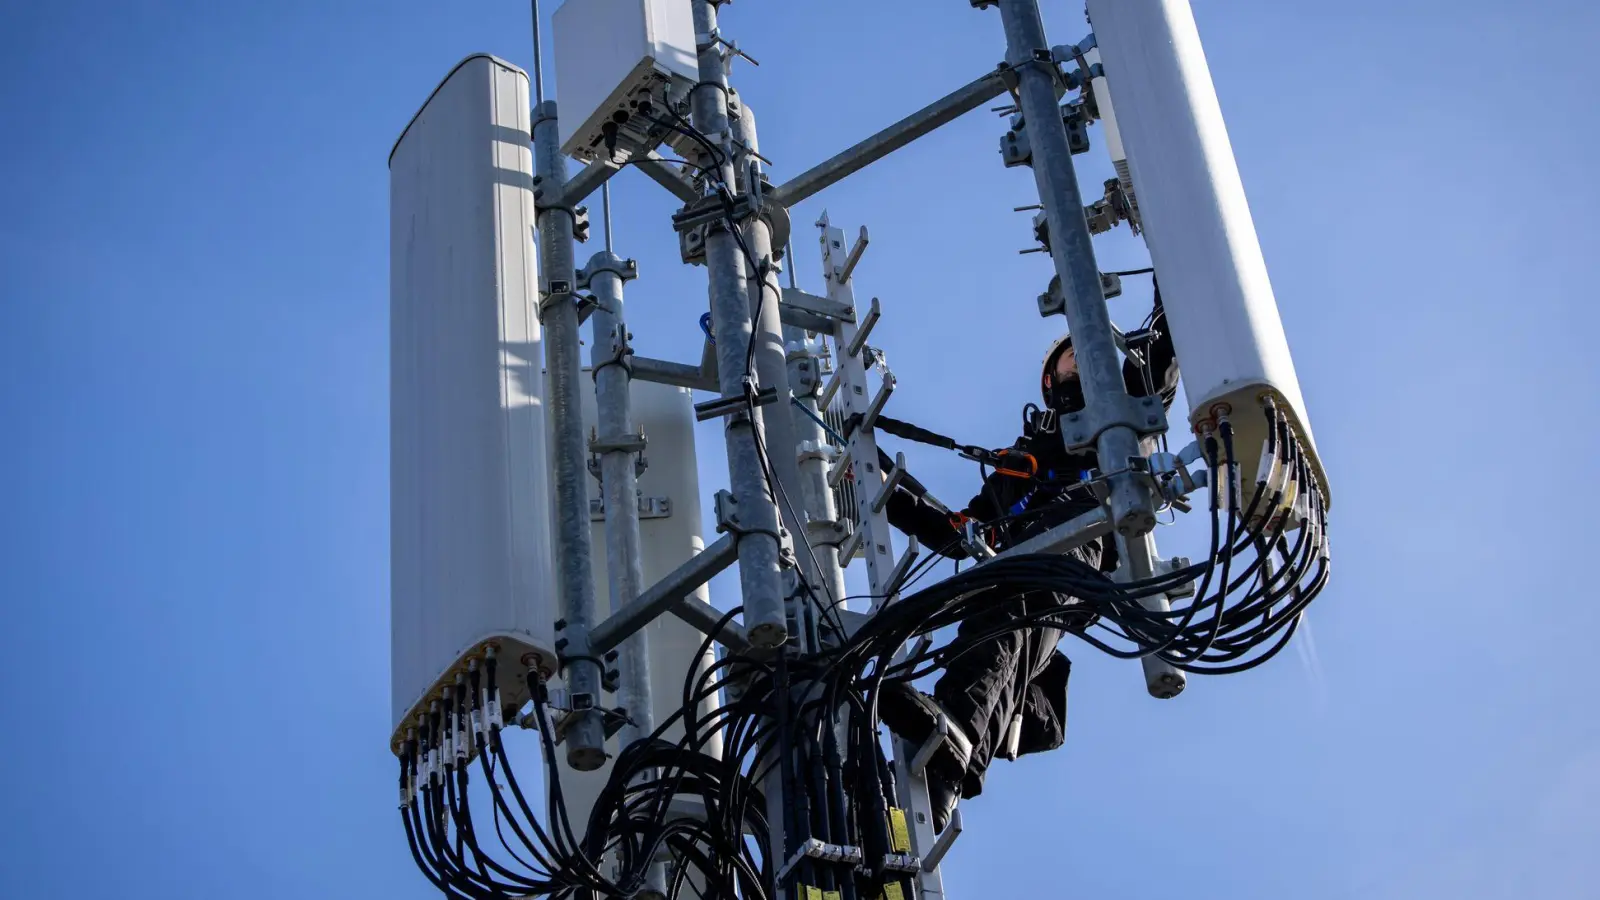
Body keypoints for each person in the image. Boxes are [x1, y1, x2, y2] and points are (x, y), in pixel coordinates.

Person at [877, 282, 1179, 830]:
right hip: (1023, 565)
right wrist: (880, 478)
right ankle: (936, 787)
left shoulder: (1123, 409)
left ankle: (960, 729)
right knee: (998, 600)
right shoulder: (1019, 467)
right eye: (1071, 355)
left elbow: (1166, 342)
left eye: (1093, 354)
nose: (1083, 360)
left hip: (1081, 537)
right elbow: (955, 530)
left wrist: (1172, 257)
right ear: (1050, 380)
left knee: (1015, 588)